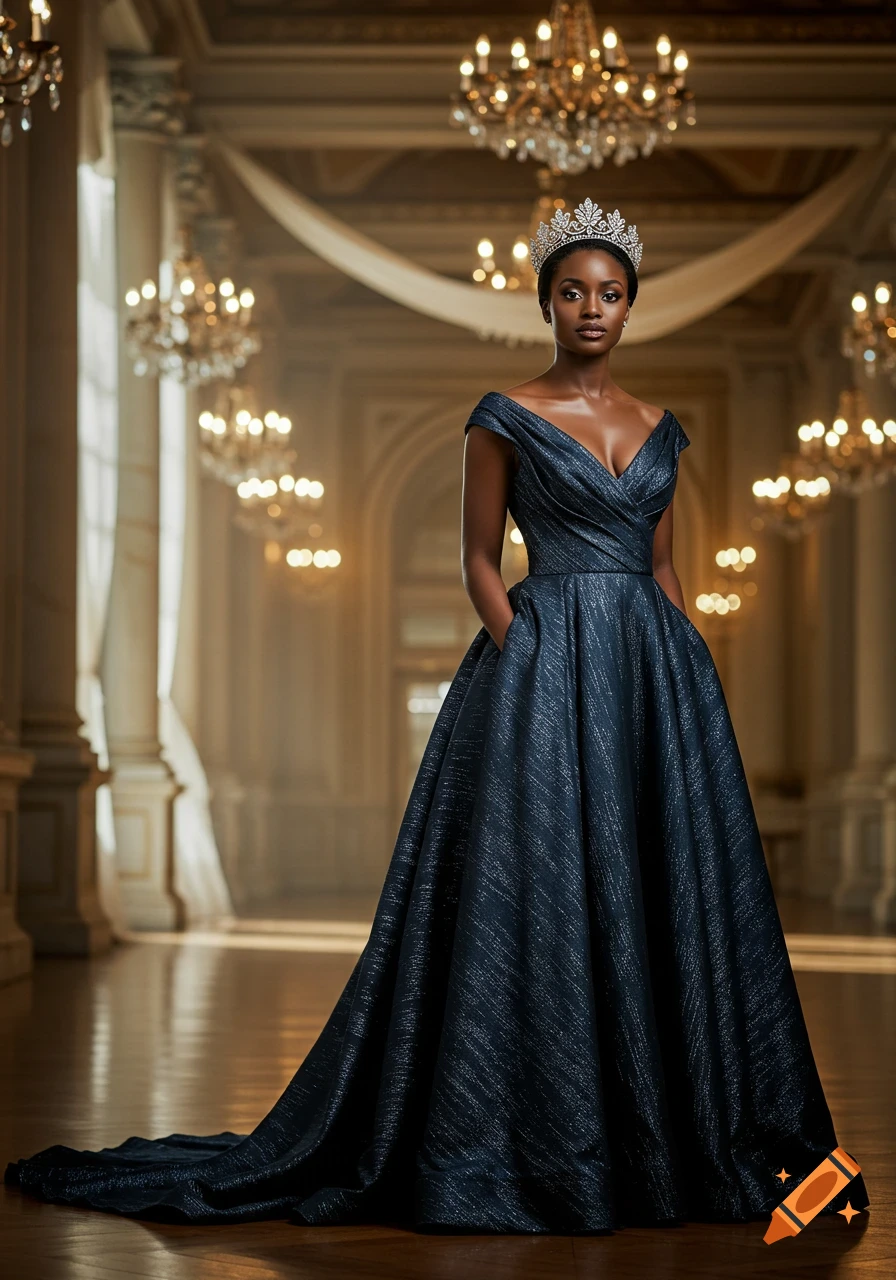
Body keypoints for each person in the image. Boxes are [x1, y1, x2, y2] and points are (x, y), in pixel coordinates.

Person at [5, 200, 866, 1234]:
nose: (588, 308)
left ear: (630, 306)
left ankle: (667, 1126)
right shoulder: (499, 413)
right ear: (543, 300)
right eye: (569, 291)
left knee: (662, 887)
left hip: (653, 674)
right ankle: (528, 1129)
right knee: (533, 890)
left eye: (607, 293)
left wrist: (687, 683)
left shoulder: (659, 429)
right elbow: (473, 559)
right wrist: (524, 651)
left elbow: (666, 569)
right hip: (539, 663)